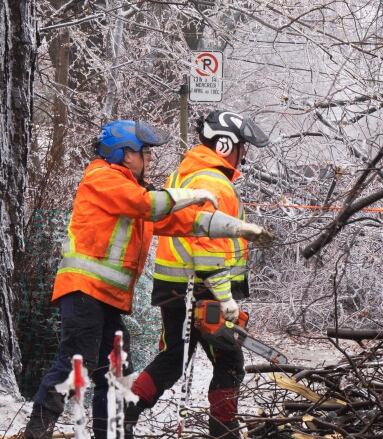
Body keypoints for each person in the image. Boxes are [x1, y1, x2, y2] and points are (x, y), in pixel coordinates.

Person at [23, 120, 273, 439]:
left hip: (105, 299)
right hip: (84, 292)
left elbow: (180, 221)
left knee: (116, 370)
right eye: (146, 153)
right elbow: (148, 205)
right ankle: (37, 430)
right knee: (78, 362)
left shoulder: (130, 188)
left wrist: (235, 227)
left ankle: (112, 433)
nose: (151, 159)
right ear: (127, 154)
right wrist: (191, 194)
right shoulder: (103, 178)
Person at [125, 110, 273, 439]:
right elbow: (205, 240)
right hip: (203, 287)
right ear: (225, 144)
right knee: (230, 361)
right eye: (241, 146)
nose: (243, 153)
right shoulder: (211, 181)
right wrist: (223, 300)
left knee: (175, 356)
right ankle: (224, 430)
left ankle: (126, 412)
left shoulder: (188, 175)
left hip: (177, 286)